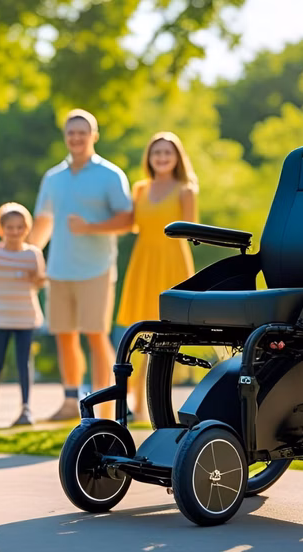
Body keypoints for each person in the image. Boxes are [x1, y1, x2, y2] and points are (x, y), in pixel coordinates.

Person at [29, 109, 133, 420]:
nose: (76, 137)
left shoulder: (110, 174)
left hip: (96, 269)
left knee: (95, 333)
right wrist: (30, 257)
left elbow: (128, 219)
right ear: (65, 137)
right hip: (58, 269)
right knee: (63, 334)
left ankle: (101, 403)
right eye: (71, 132)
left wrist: (90, 226)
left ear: (94, 136)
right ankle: (69, 400)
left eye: (82, 132)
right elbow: (43, 222)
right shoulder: (53, 177)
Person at [115, 132, 198, 422]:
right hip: (144, 261)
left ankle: (155, 403)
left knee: (165, 332)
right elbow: (127, 223)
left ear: (177, 158)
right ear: (149, 158)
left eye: (167, 153)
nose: (161, 158)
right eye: (156, 153)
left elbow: (192, 231)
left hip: (172, 261)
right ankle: (135, 405)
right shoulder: (139, 189)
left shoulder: (186, 190)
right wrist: (87, 224)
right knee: (142, 330)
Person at [0, 203, 46, 428]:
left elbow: (39, 282)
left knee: (23, 362)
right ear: (1, 228)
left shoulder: (33, 254)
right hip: (0, 316)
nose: (14, 232)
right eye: (10, 227)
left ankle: (26, 408)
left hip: (25, 316)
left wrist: (37, 277)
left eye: (19, 227)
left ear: (26, 229)